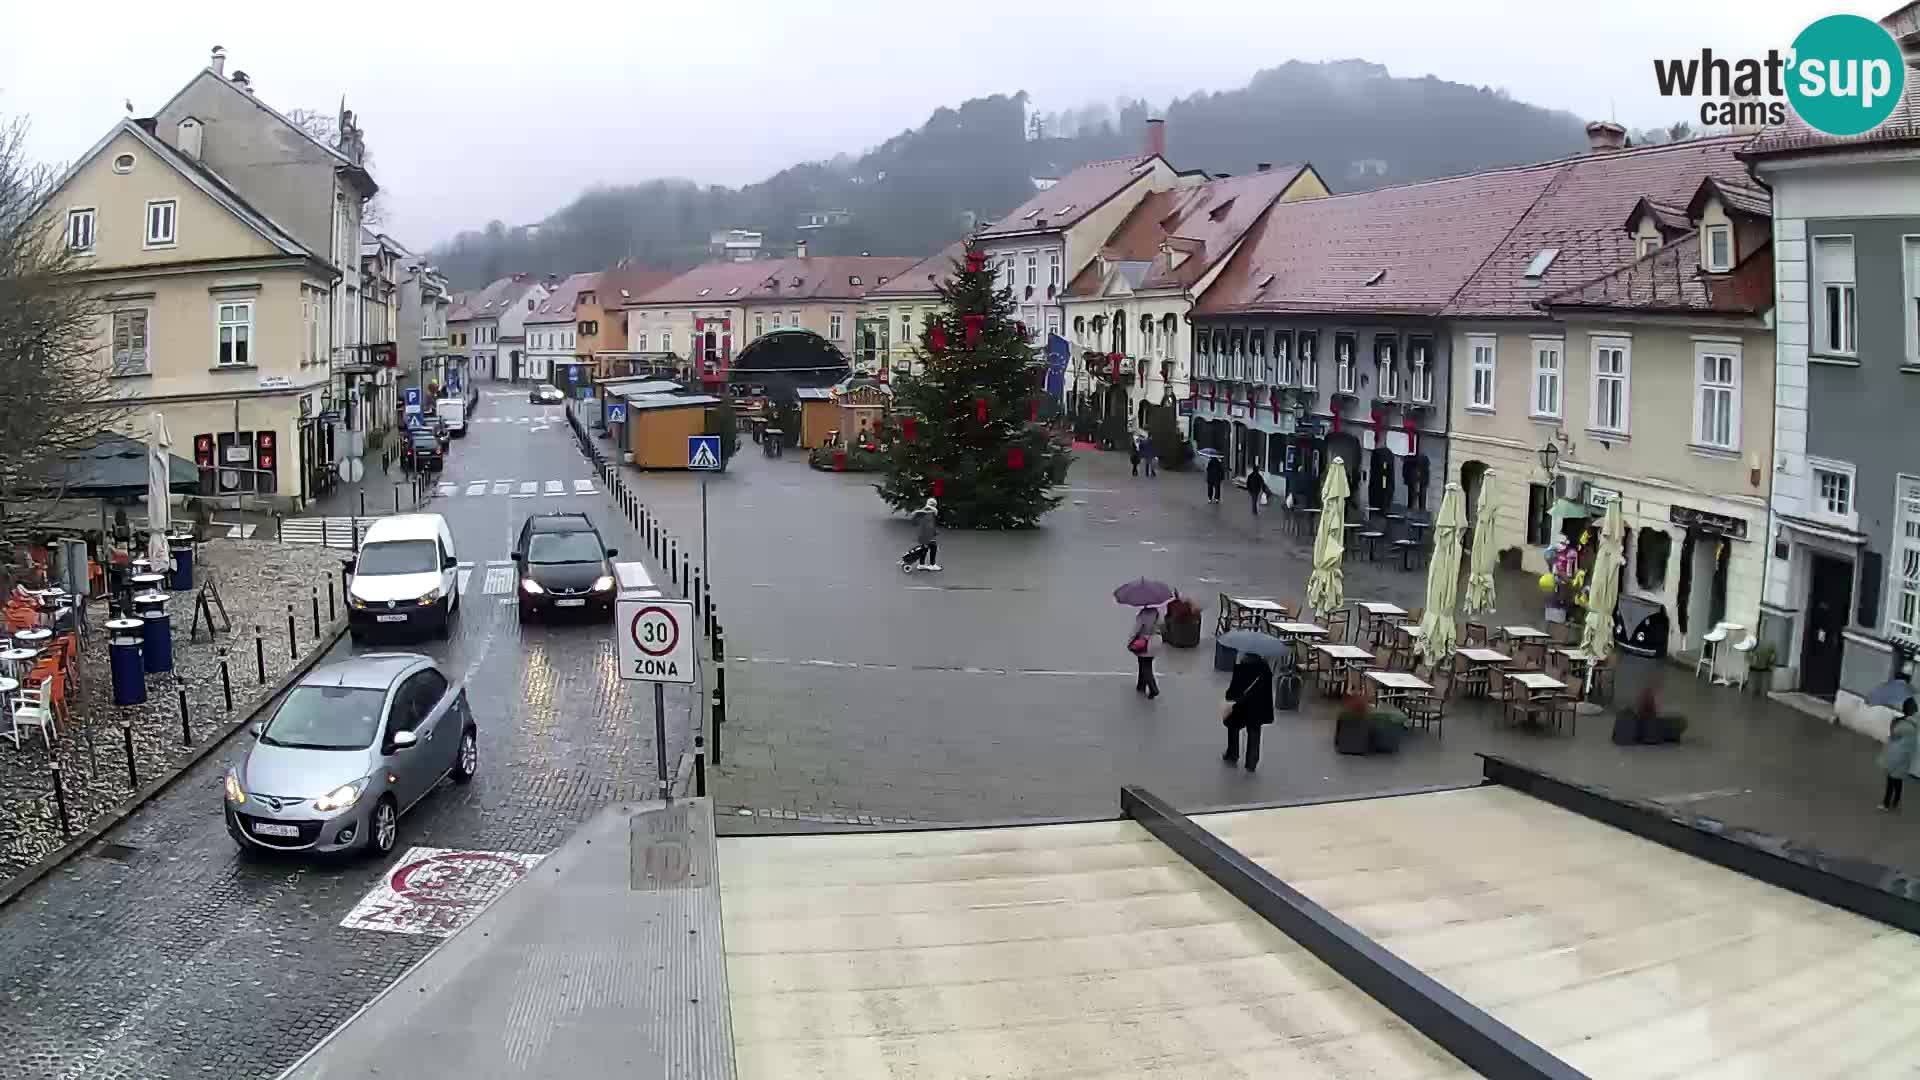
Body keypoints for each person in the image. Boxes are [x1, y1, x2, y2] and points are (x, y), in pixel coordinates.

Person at [1223, 651, 1274, 770]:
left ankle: (1232, 753)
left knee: (1233, 726)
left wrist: (1228, 696)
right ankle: (1252, 762)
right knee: (1254, 732)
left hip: (1242, 706)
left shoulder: (1242, 666)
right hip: (1258, 708)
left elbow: (1233, 691)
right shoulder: (1266, 668)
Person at [1881, 697, 1918, 810]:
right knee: (1897, 779)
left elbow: (1893, 735)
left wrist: (1895, 723)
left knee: (1892, 779)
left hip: (1897, 754)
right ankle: (1895, 801)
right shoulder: (1911, 723)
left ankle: (1887, 803)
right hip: (1903, 756)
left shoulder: (1904, 723)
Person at [902, 497, 941, 571]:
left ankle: (921, 564)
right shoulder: (930, 513)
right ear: (934, 505)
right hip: (927, 536)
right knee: (933, 547)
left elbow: (924, 525)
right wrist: (929, 539)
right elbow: (929, 527)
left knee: (924, 549)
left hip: (922, 535)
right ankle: (932, 565)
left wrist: (934, 532)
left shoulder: (924, 511)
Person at [1130, 605, 1160, 699]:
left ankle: (1153, 688)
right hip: (1156, 641)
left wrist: (1131, 639)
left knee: (1144, 665)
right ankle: (1141, 685)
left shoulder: (1142, 614)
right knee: (1147, 662)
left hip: (1144, 642)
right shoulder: (1157, 614)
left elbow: (1137, 629)